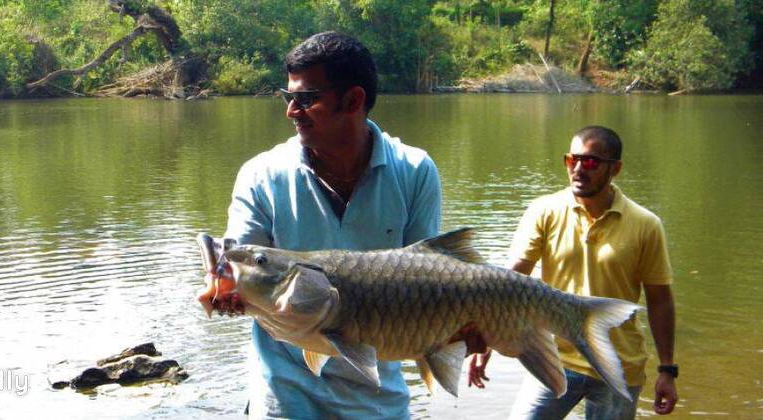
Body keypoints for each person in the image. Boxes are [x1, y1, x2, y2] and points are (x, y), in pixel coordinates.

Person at [224, 31, 442, 419]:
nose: (292, 111)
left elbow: (433, 277)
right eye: (288, 97)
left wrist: (465, 329)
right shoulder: (260, 174)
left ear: (353, 100)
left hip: (378, 398)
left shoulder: (414, 170)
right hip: (284, 398)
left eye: (306, 99)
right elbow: (238, 269)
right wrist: (223, 290)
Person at [468, 126, 678, 419]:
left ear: (615, 169)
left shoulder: (646, 225)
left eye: (590, 161)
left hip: (619, 365)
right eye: (572, 160)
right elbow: (512, 280)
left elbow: (660, 300)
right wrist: (486, 337)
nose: (579, 169)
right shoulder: (545, 211)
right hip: (553, 357)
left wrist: (667, 370)